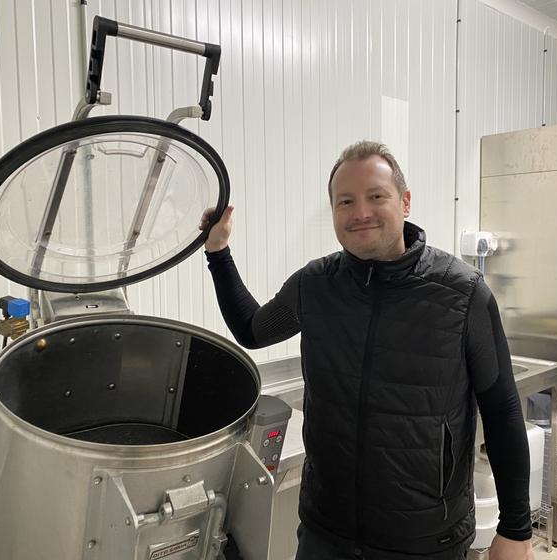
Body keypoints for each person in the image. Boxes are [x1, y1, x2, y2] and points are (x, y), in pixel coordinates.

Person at [200, 141, 534, 560]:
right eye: (346, 202)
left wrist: (516, 530)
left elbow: (502, 410)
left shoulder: (462, 293)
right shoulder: (315, 285)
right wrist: (218, 253)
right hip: (326, 532)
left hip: (425, 541)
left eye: (376, 196)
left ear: (405, 201)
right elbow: (252, 330)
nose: (360, 213)